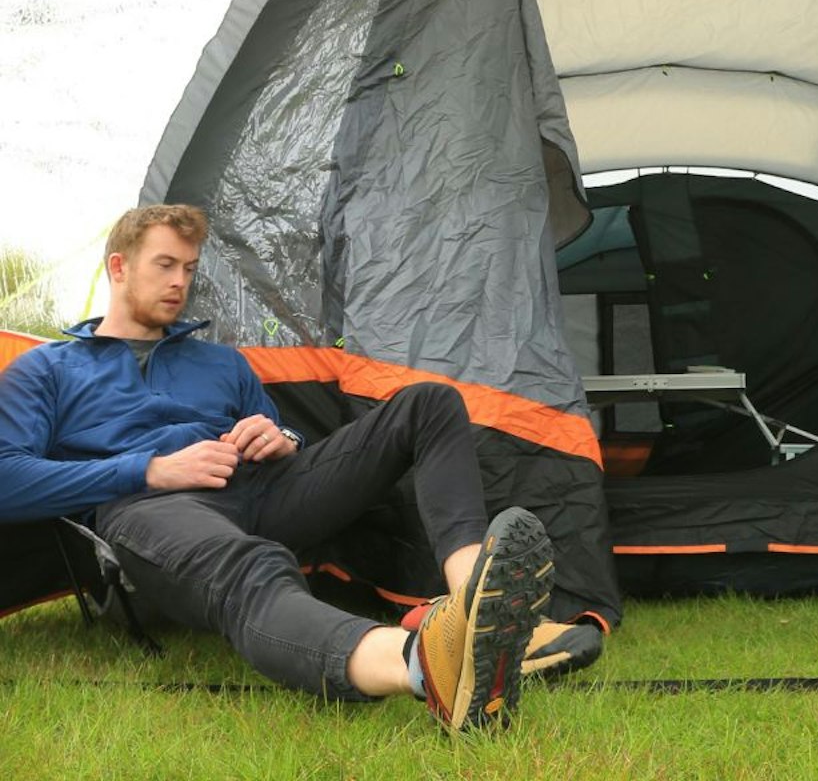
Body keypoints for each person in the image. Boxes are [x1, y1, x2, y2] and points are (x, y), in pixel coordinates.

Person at [0, 203, 599, 732]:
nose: (180, 281)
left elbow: (277, 430)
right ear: (119, 268)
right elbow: (7, 478)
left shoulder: (220, 362)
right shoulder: (50, 369)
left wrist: (278, 435)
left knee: (429, 403)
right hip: (151, 509)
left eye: (189, 268)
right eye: (165, 265)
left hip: (263, 489)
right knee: (254, 566)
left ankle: (477, 602)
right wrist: (149, 470)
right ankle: (421, 663)